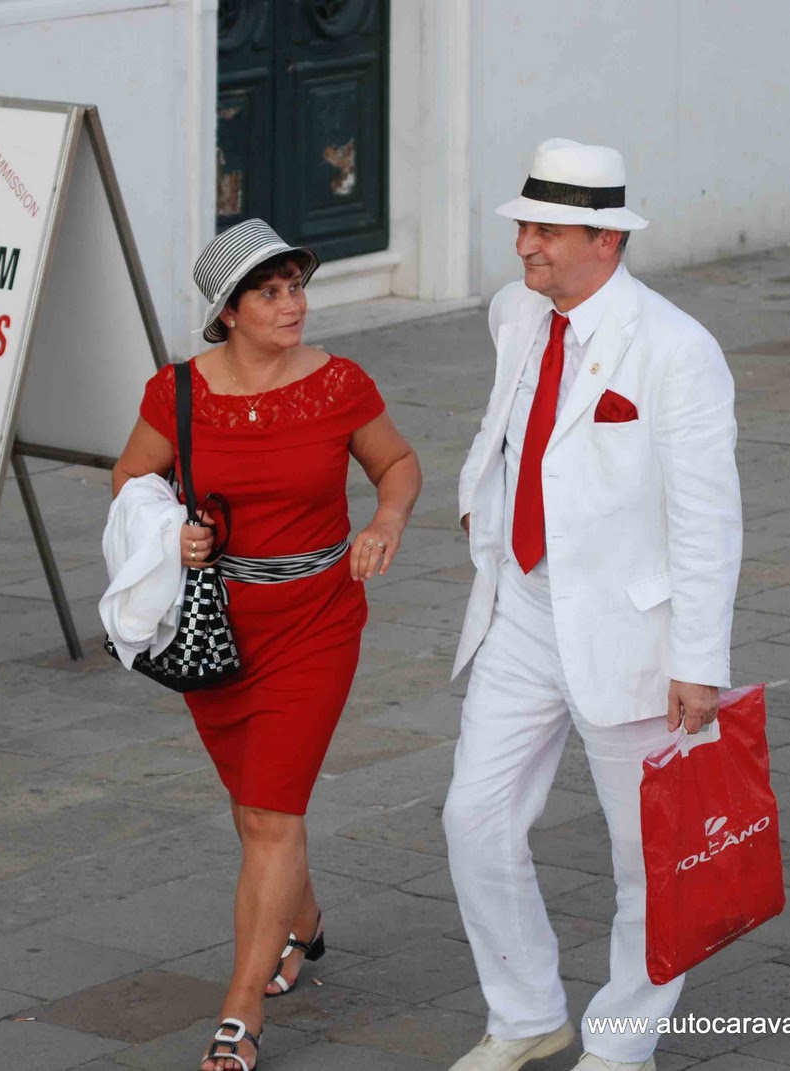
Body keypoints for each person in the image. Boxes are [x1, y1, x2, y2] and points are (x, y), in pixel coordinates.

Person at [443, 139, 743, 1071]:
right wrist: (480, 500)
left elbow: (708, 518)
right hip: (523, 607)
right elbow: (506, 422)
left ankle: (621, 1045)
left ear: (605, 240)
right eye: (523, 225)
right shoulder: (517, 312)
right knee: (473, 817)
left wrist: (698, 660)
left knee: (648, 858)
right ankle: (525, 1011)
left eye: (545, 230)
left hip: (633, 633)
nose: (524, 245)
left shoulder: (678, 350)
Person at [110, 218, 422, 1071]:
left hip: (318, 619)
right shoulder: (177, 392)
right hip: (219, 627)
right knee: (255, 808)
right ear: (228, 312)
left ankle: (240, 1012)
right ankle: (303, 920)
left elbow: (397, 464)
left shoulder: (339, 385)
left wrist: (386, 521)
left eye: (296, 288)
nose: (293, 305)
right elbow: (131, 477)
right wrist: (172, 533)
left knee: (272, 811)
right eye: (271, 293)